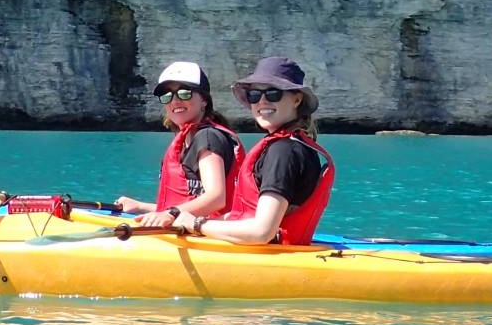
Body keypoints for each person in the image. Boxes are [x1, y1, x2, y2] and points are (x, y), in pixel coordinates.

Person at [179, 56, 334, 245]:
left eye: (273, 94)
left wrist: (196, 224)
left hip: (271, 258)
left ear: (297, 99)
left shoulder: (283, 151)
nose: (262, 102)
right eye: (254, 95)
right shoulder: (294, 145)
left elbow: (262, 231)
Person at [115, 61, 241, 229]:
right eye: (167, 96)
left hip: (213, 238)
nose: (175, 101)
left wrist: (170, 214)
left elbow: (216, 198)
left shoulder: (208, 137)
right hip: (193, 230)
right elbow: (190, 204)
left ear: (204, 99)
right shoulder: (191, 138)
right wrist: (141, 206)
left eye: (184, 93)